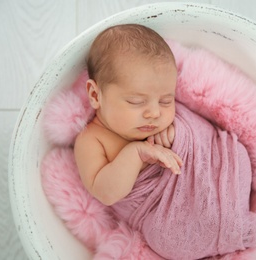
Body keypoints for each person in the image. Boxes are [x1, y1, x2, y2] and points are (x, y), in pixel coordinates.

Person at [74, 24, 183, 206]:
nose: (155, 113)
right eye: (136, 102)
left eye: (166, 101)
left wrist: (178, 135)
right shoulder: (92, 140)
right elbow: (105, 194)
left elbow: (198, 136)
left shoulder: (163, 121)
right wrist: (135, 154)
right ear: (95, 95)